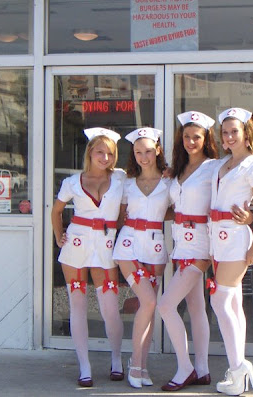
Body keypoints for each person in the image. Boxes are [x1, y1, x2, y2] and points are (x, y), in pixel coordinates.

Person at [158, 111, 253, 392]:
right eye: (186, 136)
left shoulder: (216, 167)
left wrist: (250, 217)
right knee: (197, 308)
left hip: (203, 246)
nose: (190, 142)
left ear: (206, 139)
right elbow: (173, 207)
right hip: (180, 244)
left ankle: (185, 368)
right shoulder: (177, 170)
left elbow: (241, 191)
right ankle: (201, 370)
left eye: (196, 137)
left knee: (165, 306)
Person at [51, 127, 125, 387]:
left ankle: (117, 359)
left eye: (110, 153)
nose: (104, 157)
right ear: (90, 152)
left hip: (105, 247)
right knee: (78, 307)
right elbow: (56, 210)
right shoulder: (72, 182)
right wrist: (60, 236)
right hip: (76, 247)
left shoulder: (121, 179)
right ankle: (85, 366)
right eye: (99, 152)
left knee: (109, 309)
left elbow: (125, 213)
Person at [209, 107, 253, 396]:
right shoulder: (222, 164)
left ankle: (237, 370)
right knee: (232, 304)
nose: (230, 136)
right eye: (225, 132)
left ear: (246, 134)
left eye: (235, 131)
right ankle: (239, 367)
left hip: (236, 239)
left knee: (219, 302)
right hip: (216, 239)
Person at [112, 127, 171, 389]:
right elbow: (118, 216)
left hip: (155, 249)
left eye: (148, 151)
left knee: (147, 309)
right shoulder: (126, 183)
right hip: (127, 246)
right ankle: (135, 363)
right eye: (138, 152)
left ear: (157, 150)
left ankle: (142, 365)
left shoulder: (170, 183)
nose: (144, 157)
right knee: (148, 302)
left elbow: (176, 212)